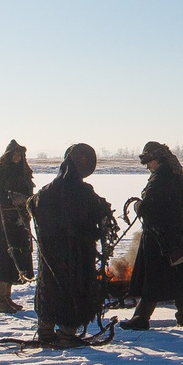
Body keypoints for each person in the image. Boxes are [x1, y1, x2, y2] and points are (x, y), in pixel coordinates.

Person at [30, 143, 115, 345]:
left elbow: (33, 206)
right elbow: (98, 211)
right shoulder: (84, 191)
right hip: (77, 253)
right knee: (74, 289)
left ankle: (45, 331)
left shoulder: (47, 190)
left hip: (50, 253)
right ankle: (67, 334)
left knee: (49, 287)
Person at [124, 141, 183, 330]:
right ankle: (182, 318)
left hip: (159, 237)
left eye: (149, 161)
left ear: (157, 160)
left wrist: (138, 205)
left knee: (152, 278)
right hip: (176, 233)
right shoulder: (176, 173)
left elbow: (148, 208)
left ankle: (140, 319)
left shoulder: (161, 178)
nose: (147, 166)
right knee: (179, 275)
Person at [0, 141, 35, 313]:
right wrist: (11, 197)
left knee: (14, 260)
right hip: (2, 222)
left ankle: (7, 298)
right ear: (8, 155)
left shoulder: (24, 173)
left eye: (20, 155)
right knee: (1, 261)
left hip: (19, 222)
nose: (17, 158)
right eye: (14, 154)